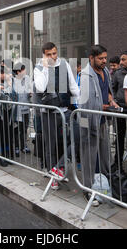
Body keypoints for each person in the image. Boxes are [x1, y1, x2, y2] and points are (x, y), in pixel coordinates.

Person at [34, 42, 80, 190]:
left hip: (65, 110)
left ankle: (59, 168)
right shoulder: (39, 68)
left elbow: (73, 86)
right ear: (44, 55)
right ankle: (53, 174)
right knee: (51, 145)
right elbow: (41, 88)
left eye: (54, 53)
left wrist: (81, 102)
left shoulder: (64, 64)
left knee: (76, 137)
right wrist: (46, 68)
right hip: (49, 113)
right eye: (49, 54)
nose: (53, 57)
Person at [78, 45, 118, 206]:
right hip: (88, 120)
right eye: (100, 58)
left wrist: (111, 100)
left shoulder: (106, 72)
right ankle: (87, 190)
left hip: (101, 120)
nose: (104, 61)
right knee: (89, 157)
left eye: (105, 58)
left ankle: (104, 186)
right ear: (91, 58)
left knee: (104, 154)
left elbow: (107, 92)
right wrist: (107, 108)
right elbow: (86, 104)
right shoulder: (86, 75)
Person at [12, 63, 32, 156]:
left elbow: (30, 89)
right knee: (16, 128)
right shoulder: (13, 80)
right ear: (18, 71)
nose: (25, 71)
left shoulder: (27, 78)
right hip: (17, 109)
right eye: (23, 70)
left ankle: (24, 146)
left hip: (26, 108)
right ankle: (16, 147)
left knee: (24, 128)